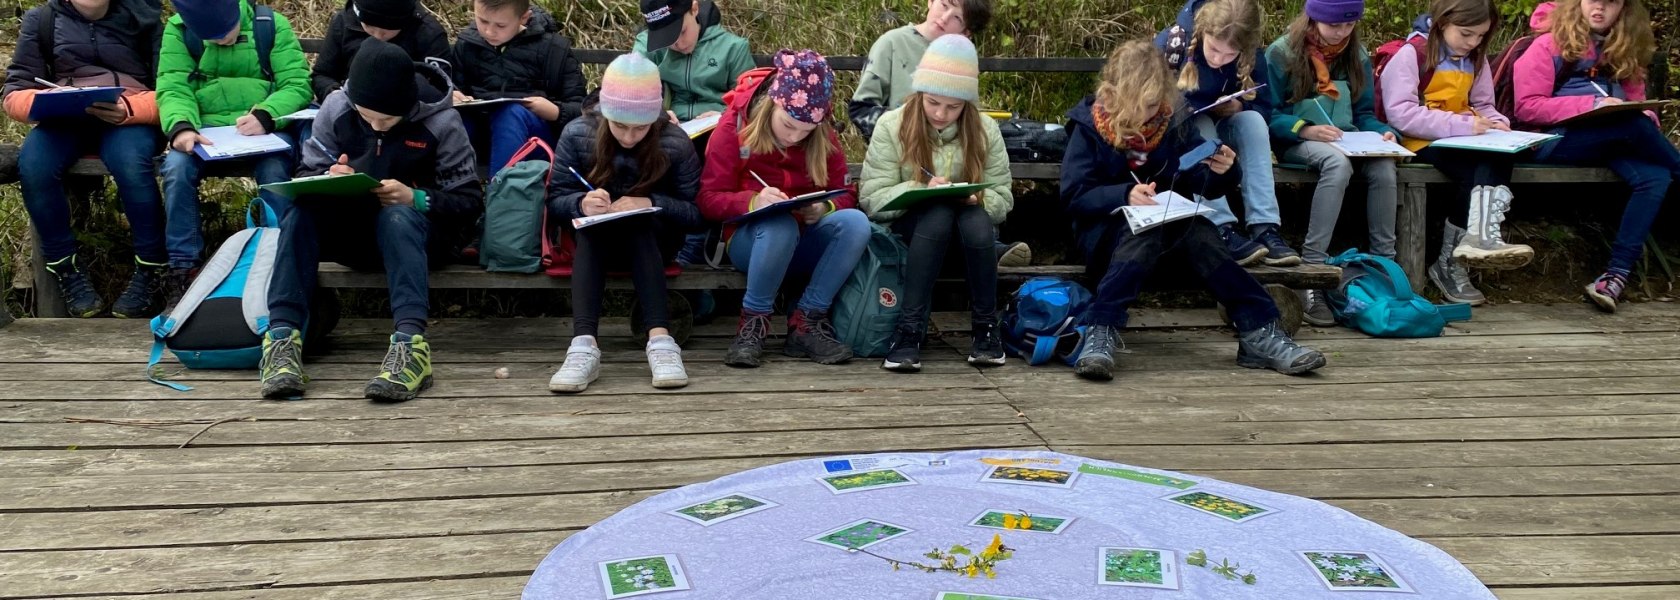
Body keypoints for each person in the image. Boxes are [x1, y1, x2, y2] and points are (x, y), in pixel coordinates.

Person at [1061, 40, 1326, 381]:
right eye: (1140, 105)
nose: (1149, 114)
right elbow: (1074, 195)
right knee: (1147, 232)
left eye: (1156, 104)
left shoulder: (1173, 121)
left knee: (1201, 231)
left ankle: (1259, 331)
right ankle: (1101, 328)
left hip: (1170, 234)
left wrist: (1225, 170)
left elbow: (1201, 180)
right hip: (1107, 242)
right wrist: (1125, 194)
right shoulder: (1088, 128)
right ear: (1112, 96)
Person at [260, 40, 482, 402]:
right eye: (367, 116)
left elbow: (470, 202)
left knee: (397, 216)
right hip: (355, 228)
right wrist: (331, 176)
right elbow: (307, 172)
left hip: (422, 236)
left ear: (407, 105)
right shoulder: (336, 108)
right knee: (299, 212)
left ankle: (411, 346)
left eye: (387, 119)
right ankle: (282, 339)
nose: (376, 125)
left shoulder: (442, 122)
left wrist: (417, 198)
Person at [698, 49, 870, 368]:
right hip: (751, 241)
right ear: (773, 104)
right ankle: (753, 323)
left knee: (856, 224)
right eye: (788, 126)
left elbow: (846, 192)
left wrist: (825, 207)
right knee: (780, 224)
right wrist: (753, 201)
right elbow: (708, 199)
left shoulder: (821, 133)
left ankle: (806, 321)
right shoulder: (734, 127)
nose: (794, 137)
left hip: (805, 238)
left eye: (806, 133)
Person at [547, 53, 704, 393]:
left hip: (655, 244)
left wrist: (651, 203)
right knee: (594, 226)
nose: (630, 137)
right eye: (620, 125)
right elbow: (556, 200)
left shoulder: (675, 143)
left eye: (640, 127)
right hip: (594, 247)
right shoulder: (577, 134)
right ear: (605, 113)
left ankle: (661, 342)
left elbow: (696, 214)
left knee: (637, 223)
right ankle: (583, 345)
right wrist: (581, 203)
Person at [3, 0, 167, 318]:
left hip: (127, 118)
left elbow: (172, 88)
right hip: (64, 119)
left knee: (131, 165)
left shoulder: (144, 17)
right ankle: (66, 270)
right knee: (34, 166)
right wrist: (45, 101)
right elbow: (15, 89)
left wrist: (132, 110)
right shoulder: (43, 20)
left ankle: (150, 269)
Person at [860, 34, 1013, 372]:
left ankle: (986, 330)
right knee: (937, 211)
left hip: (967, 238)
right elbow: (872, 198)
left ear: (967, 104)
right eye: (933, 103)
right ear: (919, 93)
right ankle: (909, 331)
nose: (941, 113)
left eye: (953, 106)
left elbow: (1004, 196)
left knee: (973, 216)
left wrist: (979, 197)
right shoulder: (892, 125)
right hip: (911, 234)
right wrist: (919, 188)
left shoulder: (985, 129)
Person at [1512, 0, 1673, 312]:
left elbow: (1640, 105)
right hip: (1552, 142)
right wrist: (1592, 106)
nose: (1599, 7)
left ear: (1624, 9)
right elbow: (1527, 106)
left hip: (1612, 139)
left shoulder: (1622, 48)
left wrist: (1643, 115)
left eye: (1610, 2)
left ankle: (1614, 277)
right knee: (1634, 127)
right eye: (1592, 0)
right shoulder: (1547, 44)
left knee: (1656, 176)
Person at [156, 0, 313, 310]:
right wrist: (182, 128)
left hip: (263, 129)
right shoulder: (178, 30)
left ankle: (279, 261)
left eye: (228, 32)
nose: (222, 41)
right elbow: (173, 87)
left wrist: (267, 114)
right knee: (175, 168)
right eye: (212, 38)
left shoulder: (269, 24)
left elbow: (296, 84)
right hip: (204, 131)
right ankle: (183, 267)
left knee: (275, 171)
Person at [1380, 0, 1534, 306]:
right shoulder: (1412, 54)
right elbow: (1401, 114)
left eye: (1480, 36)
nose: (1473, 42)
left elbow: (1485, 104)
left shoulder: (1475, 58)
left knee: (1500, 156)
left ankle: (1474, 242)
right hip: (1420, 141)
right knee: (1473, 172)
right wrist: (1462, 124)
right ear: (1442, 23)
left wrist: (1499, 123)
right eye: (1466, 34)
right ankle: (1454, 261)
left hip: (1466, 136)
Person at [1263, 0, 1400, 327]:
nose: (1341, 33)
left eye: (1349, 26)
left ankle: (1386, 269)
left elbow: (1364, 113)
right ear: (1313, 19)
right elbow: (1267, 114)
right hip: (1297, 143)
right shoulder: (1281, 54)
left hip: (1348, 140)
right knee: (1337, 165)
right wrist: (1305, 129)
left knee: (1384, 166)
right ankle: (1313, 272)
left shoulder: (1357, 55)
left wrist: (1385, 133)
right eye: (1333, 25)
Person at [1156, 0, 1300, 268]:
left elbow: (1265, 106)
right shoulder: (1172, 44)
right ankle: (1220, 225)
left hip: (1225, 129)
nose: (1219, 59)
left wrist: (1240, 105)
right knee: (1201, 126)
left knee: (1253, 121)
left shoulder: (1250, 52)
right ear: (1202, 32)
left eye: (1229, 55)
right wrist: (1196, 108)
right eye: (1214, 49)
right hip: (1181, 139)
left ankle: (1265, 226)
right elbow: (1152, 107)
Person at [452, 0, 587, 175]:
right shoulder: (466, 45)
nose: (489, 31)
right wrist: (454, 96)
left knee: (511, 113)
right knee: (453, 118)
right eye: (483, 21)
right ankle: (447, 196)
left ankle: (503, 199)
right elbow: (451, 89)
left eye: (501, 25)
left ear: (524, 18)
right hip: (480, 136)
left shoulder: (554, 50)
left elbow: (582, 110)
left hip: (535, 140)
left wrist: (556, 111)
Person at [848, 0, 992, 138]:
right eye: (944, 5)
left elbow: (968, 114)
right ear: (931, 1)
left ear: (966, 31)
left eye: (957, 18)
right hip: (898, 152)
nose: (944, 18)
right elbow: (860, 110)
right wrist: (910, 127)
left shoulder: (963, 57)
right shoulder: (891, 43)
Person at [634, 0, 754, 124]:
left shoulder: (733, 48)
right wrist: (659, 115)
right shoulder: (647, 45)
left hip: (720, 125)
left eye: (682, 32)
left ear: (694, 9)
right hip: (670, 127)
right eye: (667, 39)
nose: (679, 44)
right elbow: (630, 90)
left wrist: (726, 114)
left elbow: (751, 102)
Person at [310, 0, 453, 102]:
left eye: (387, 31)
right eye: (369, 27)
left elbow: (440, 84)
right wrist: (333, 92)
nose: (378, 36)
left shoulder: (428, 32)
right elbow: (322, 75)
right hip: (351, 108)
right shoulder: (343, 21)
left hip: (407, 114)